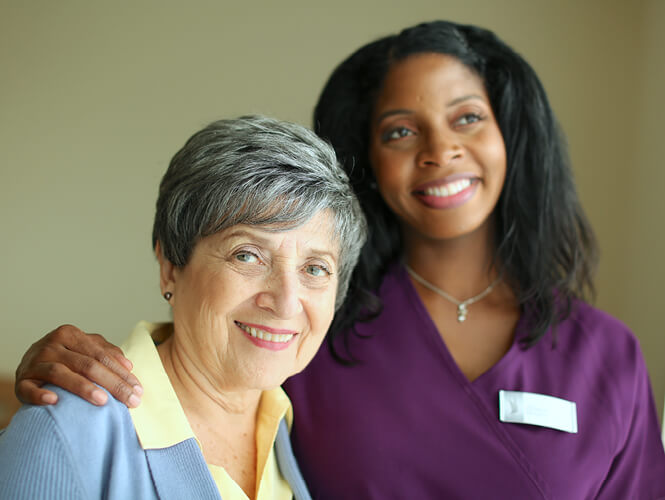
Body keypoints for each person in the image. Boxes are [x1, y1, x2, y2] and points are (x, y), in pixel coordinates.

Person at [12, 20, 665, 499]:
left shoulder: (606, 358)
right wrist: (46, 377)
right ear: (367, 161)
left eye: (467, 117)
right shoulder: (323, 328)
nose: (439, 151)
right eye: (400, 131)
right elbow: (182, 382)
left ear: (512, 136)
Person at [0, 115, 367, 499]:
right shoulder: (65, 430)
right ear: (170, 266)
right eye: (247, 256)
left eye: (315, 268)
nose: (286, 301)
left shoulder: (293, 435)